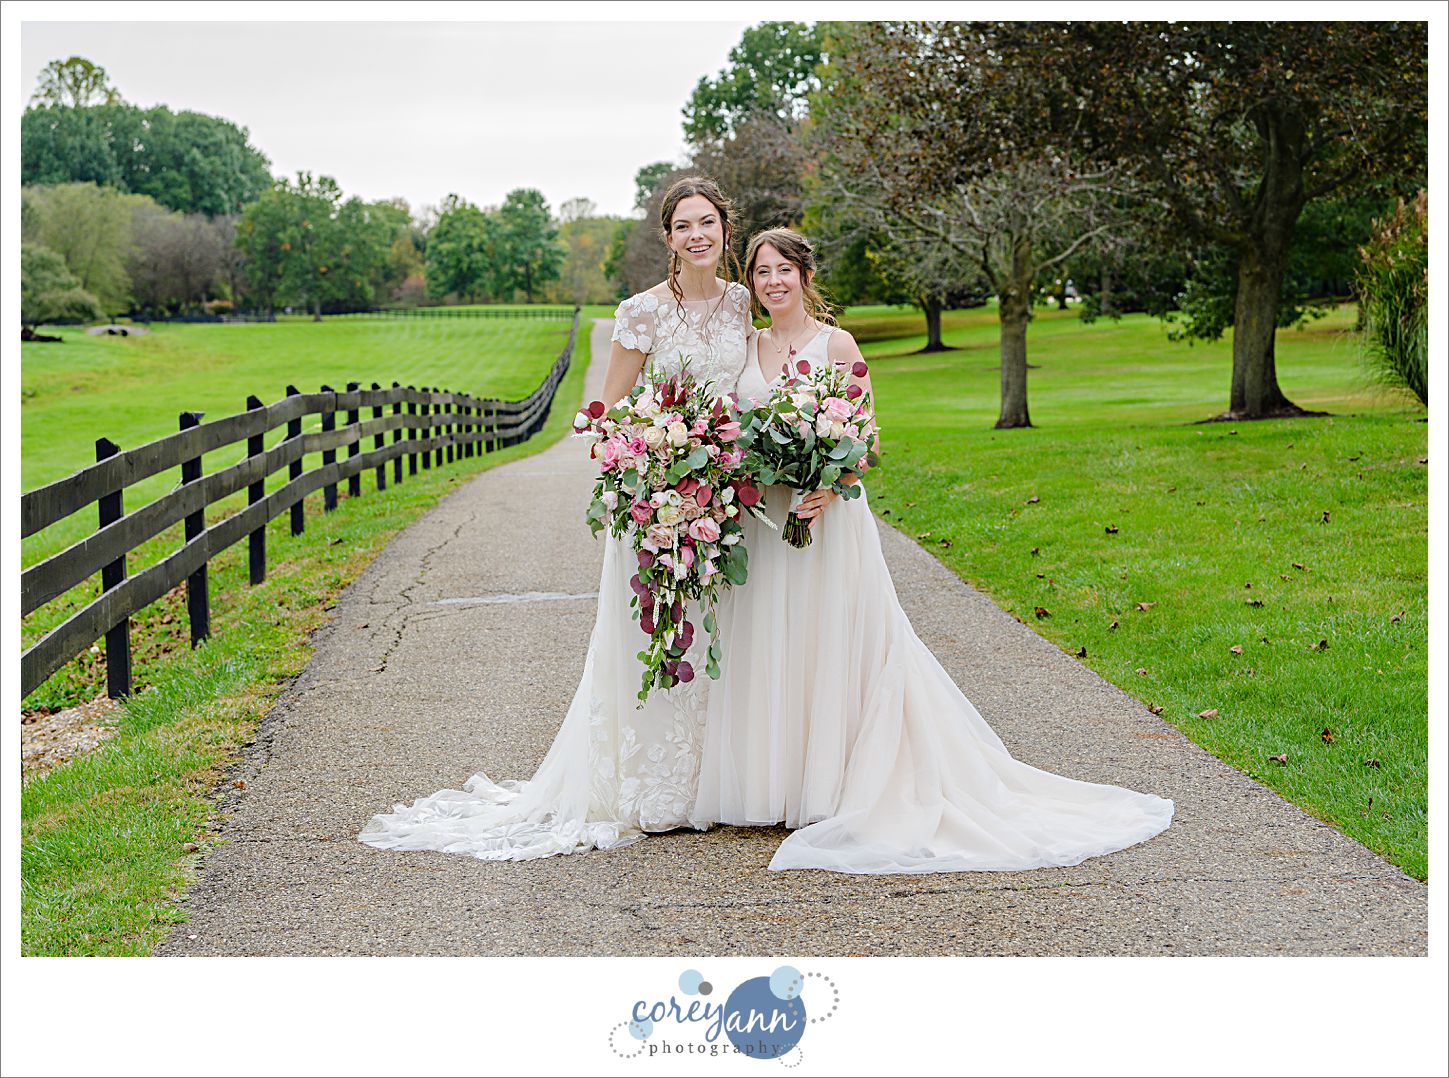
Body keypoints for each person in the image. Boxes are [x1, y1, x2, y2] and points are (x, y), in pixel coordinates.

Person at [689, 228, 1175, 873]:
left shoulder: (837, 345)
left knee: (832, 639)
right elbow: (730, 433)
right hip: (767, 522)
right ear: (751, 283)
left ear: (806, 275)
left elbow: (865, 439)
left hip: (826, 520)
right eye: (761, 272)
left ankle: (837, 782)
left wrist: (829, 488)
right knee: (772, 641)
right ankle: (776, 782)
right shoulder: (746, 347)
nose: (773, 282)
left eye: (783, 270)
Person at [358, 177, 752, 860]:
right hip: (657, 502)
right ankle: (652, 791)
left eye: (708, 223)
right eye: (683, 225)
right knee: (655, 637)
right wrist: (660, 453)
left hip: (720, 502)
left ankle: (718, 782)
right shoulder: (641, 312)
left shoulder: (742, 303)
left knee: (724, 636)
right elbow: (608, 415)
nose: (697, 235)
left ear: (726, 228)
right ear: (667, 237)